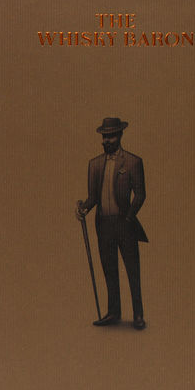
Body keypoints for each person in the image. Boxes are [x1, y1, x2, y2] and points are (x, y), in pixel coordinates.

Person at [76, 117, 148, 329]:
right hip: (104, 225)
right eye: (104, 137)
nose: (106, 140)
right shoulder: (95, 164)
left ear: (120, 135)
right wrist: (84, 208)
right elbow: (93, 197)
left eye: (111, 136)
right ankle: (113, 313)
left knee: (133, 270)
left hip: (125, 224)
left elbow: (141, 194)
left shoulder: (133, 162)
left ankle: (138, 315)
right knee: (109, 270)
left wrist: (129, 217)